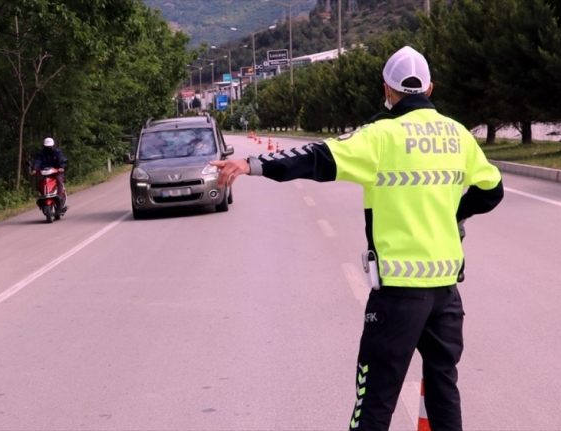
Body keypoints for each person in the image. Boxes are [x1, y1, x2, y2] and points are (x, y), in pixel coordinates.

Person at [211, 46, 504, 430]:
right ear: (430, 88)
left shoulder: (380, 135)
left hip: (398, 296)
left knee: (376, 401)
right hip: (445, 295)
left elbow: (315, 158)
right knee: (443, 391)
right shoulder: (458, 135)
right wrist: (455, 213)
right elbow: (492, 190)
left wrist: (252, 164)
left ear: (388, 89)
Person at [32, 137, 68, 210]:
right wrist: (35, 169)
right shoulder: (41, 153)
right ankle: (42, 195)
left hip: (57, 171)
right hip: (45, 172)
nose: (48, 147)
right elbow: (37, 161)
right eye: (47, 146)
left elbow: (61, 159)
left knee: (59, 180)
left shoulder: (57, 152)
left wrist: (61, 167)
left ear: (53, 145)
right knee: (40, 183)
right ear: (44, 146)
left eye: (49, 146)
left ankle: (60, 198)